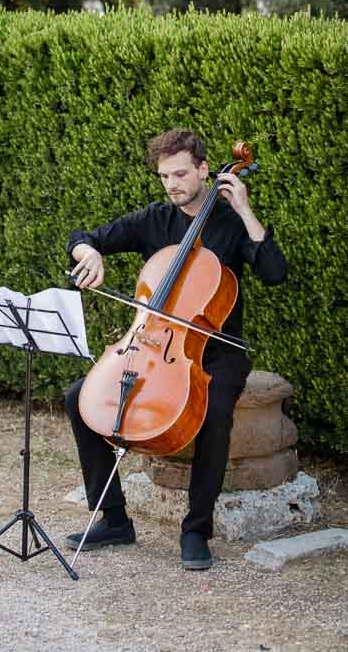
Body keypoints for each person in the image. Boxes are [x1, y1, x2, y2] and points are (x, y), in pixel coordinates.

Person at [65, 129, 287, 570]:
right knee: (79, 398)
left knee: (215, 411)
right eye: (165, 176)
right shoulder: (154, 219)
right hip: (151, 344)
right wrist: (87, 251)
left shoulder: (228, 222)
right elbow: (83, 235)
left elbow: (275, 272)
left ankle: (196, 531)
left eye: (181, 173)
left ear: (204, 171)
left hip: (217, 352)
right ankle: (113, 519)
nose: (172, 184)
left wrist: (245, 209)